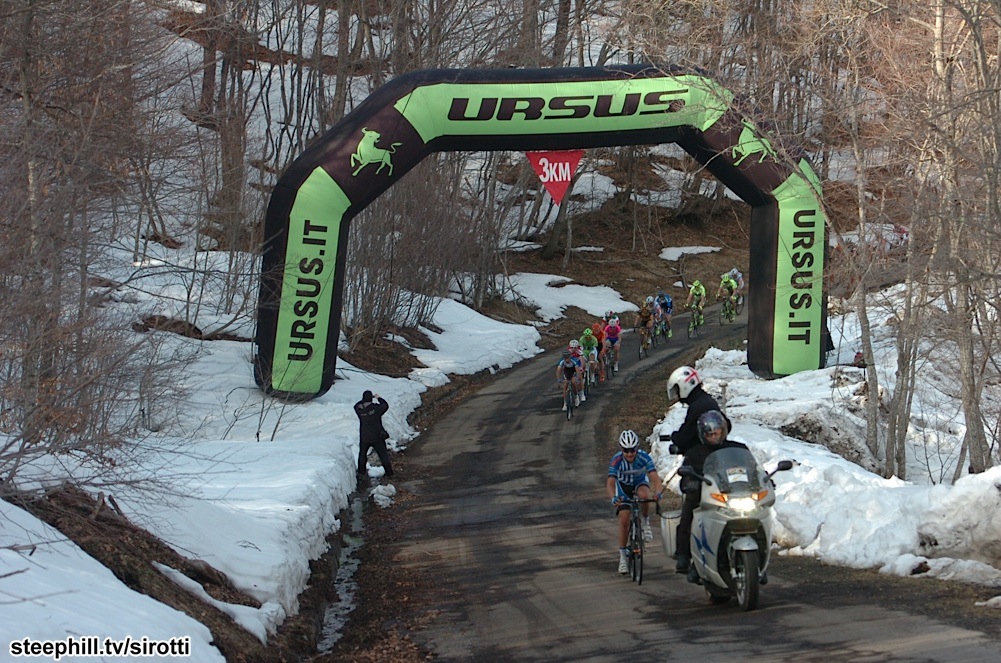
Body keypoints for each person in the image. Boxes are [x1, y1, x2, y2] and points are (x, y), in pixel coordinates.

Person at [665, 365, 730, 574]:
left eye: (677, 389)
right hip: (716, 464)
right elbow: (726, 424)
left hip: (703, 466)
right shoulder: (706, 401)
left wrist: (676, 439)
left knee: (690, 508)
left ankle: (683, 555)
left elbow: (685, 437)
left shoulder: (698, 406)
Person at [676, 410, 747, 583]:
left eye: (717, 432)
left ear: (723, 430)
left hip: (731, 495)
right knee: (690, 515)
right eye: (710, 434)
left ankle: (757, 558)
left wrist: (763, 479)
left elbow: (750, 467)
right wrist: (691, 483)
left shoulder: (737, 449)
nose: (714, 436)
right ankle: (687, 557)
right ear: (703, 435)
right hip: (704, 497)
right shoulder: (695, 453)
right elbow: (685, 478)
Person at [607, 430, 664, 574]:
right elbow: (610, 482)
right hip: (623, 488)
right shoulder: (616, 460)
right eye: (626, 451)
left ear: (637, 448)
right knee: (624, 518)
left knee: (644, 495)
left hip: (640, 483)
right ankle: (622, 558)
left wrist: (658, 492)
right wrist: (613, 497)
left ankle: (645, 521)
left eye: (632, 450)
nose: (629, 454)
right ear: (621, 449)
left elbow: (655, 478)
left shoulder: (644, 457)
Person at [354, 390, 394, 482]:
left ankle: (361, 473)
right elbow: (385, 405)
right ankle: (389, 473)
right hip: (377, 436)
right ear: (371, 399)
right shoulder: (375, 408)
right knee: (383, 455)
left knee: (362, 455)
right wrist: (378, 398)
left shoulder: (359, 409)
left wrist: (364, 400)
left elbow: (356, 405)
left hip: (364, 436)